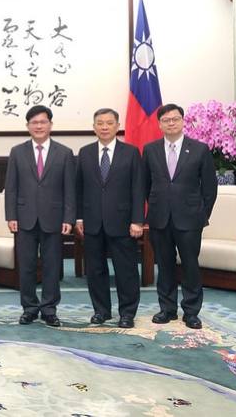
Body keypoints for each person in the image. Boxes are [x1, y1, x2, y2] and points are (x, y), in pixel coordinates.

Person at [143, 103, 217, 330]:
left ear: (183, 121)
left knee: (190, 265)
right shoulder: (150, 149)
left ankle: (192, 311)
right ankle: (167, 309)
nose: (171, 123)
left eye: (175, 119)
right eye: (166, 120)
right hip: (160, 218)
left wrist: (202, 213)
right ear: (160, 124)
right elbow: (145, 184)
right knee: (164, 265)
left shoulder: (200, 149)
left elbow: (210, 187)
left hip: (190, 219)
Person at [5, 105, 75, 327]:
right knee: (25, 266)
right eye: (34, 122)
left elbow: (69, 190)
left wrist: (69, 218)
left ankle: (49, 309)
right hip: (24, 218)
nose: (38, 126)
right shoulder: (17, 152)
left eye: (42, 122)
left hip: (54, 218)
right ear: (28, 126)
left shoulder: (64, 153)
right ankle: (29, 308)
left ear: (50, 125)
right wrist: (11, 215)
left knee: (52, 266)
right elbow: (11, 187)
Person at [75, 108, 144, 329]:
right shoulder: (84, 152)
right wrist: (79, 218)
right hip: (93, 222)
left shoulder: (131, 152)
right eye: (100, 123)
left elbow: (138, 189)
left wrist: (137, 220)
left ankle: (127, 313)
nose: (104, 127)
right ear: (94, 127)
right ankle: (101, 311)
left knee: (126, 270)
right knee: (95, 270)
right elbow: (79, 188)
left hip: (123, 222)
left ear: (117, 126)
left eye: (109, 123)